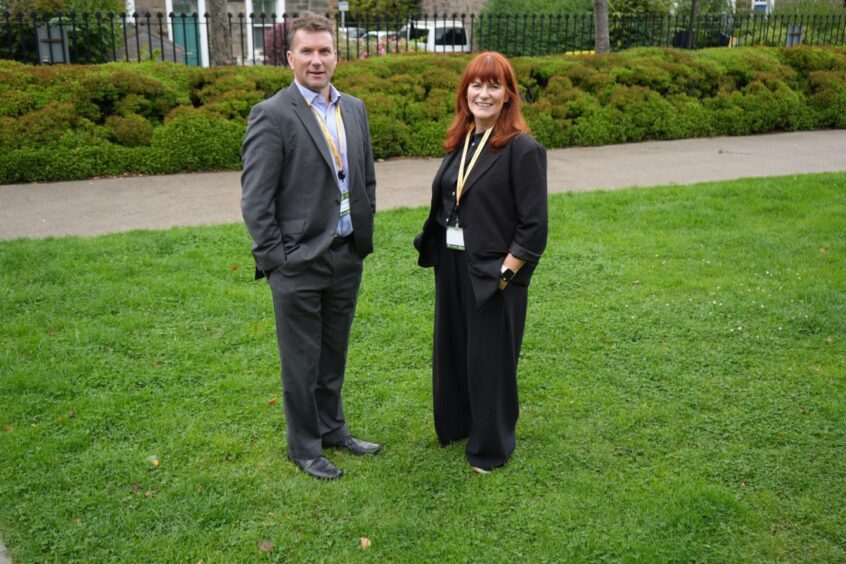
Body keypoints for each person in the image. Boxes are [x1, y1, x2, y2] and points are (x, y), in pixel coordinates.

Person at [240, 12, 380, 480]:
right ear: (290, 58)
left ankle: (332, 427)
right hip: (297, 263)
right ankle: (304, 447)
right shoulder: (273, 115)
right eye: (307, 51)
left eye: (324, 51)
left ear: (336, 57)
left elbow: (365, 178)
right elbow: (256, 201)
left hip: (346, 254)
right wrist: (277, 261)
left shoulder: (354, 109)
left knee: (333, 352)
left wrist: (362, 232)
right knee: (301, 362)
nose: (316, 61)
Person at [414, 52, 548, 474]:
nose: (483, 93)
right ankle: (457, 424)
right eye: (476, 84)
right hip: (453, 264)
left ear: (508, 96)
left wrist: (507, 272)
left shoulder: (523, 150)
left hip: (494, 273)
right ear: (464, 91)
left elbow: (534, 227)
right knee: (453, 349)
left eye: (494, 86)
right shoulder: (463, 139)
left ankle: (491, 447)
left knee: (490, 360)